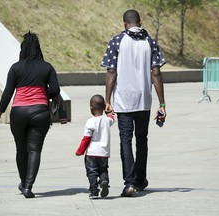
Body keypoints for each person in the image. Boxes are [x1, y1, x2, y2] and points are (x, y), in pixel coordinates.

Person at [101, 9, 167, 197]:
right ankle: (140, 180)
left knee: (125, 141)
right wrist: (162, 104)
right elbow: (156, 73)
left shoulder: (117, 41)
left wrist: (107, 100)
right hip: (144, 100)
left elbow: (111, 72)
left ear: (124, 23)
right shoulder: (150, 42)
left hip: (123, 101)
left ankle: (129, 183)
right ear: (140, 21)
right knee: (142, 140)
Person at [0, 31, 60, 198]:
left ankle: (23, 182)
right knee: (35, 150)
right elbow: (56, 90)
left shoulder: (16, 67)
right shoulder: (47, 67)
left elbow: (8, 92)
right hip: (40, 112)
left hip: (19, 112)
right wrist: (44, 94)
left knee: (21, 150)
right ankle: (28, 186)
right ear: (38, 48)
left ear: (22, 49)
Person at [75, 95, 115, 198]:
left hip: (92, 153)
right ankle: (104, 181)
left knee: (92, 171)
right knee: (103, 169)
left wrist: (80, 151)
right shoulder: (107, 120)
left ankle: (94, 191)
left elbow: (86, 139)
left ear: (91, 108)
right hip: (104, 153)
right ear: (103, 107)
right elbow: (112, 118)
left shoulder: (90, 122)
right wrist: (109, 111)